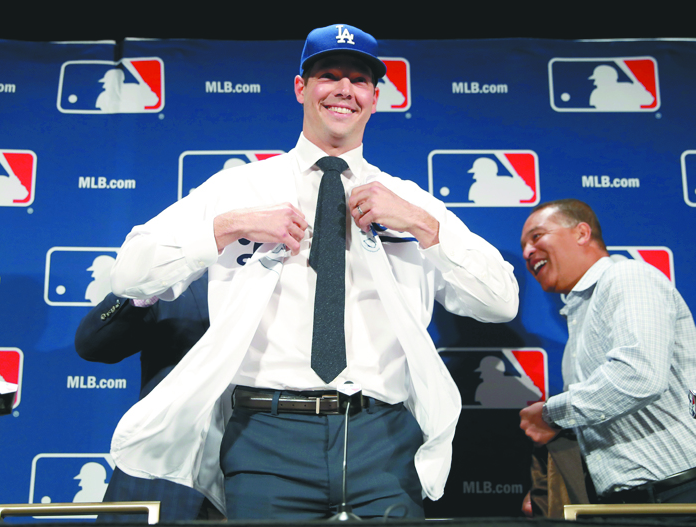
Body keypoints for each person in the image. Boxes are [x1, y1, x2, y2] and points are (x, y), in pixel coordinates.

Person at [108, 23, 519, 520]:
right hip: (266, 435)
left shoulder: (408, 200)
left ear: (375, 98)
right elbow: (130, 274)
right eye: (329, 76)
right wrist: (228, 227)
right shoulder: (240, 188)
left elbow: (501, 302)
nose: (344, 89)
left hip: (383, 439)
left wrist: (423, 225)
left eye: (359, 80)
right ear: (301, 87)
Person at [519, 198, 696, 511]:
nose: (527, 252)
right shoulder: (579, 322)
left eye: (537, 236)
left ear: (582, 233)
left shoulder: (626, 276)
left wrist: (551, 413)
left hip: (686, 493)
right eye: (524, 246)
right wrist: (548, 489)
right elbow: (603, 416)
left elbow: (639, 376)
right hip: (630, 504)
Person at [75, 274, 215, 521]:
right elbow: (92, 345)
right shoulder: (179, 272)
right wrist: (140, 291)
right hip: (163, 475)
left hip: (266, 472)